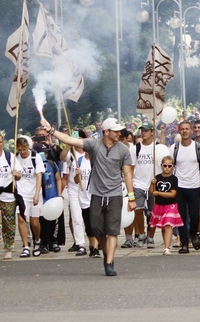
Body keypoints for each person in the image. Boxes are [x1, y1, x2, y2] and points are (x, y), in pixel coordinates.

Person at [40, 117, 135, 276]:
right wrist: (51, 131)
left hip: (115, 195)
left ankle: (109, 262)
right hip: (96, 194)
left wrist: (131, 198)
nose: (119, 133)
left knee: (112, 231)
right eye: (116, 131)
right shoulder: (94, 144)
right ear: (106, 132)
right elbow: (70, 140)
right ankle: (106, 251)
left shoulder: (123, 150)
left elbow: (127, 174)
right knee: (97, 230)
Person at [170, 121, 200, 254]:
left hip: (194, 186)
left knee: (195, 215)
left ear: (191, 131)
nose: (184, 131)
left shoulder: (198, 147)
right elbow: (170, 167)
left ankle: (193, 234)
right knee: (181, 216)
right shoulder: (174, 148)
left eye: (187, 129)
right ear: (179, 131)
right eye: (182, 129)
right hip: (179, 187)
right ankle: (184, 243)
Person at [125, 122, 157, 249]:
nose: (143, 133)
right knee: (138, 210)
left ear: (152, 132)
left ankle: (151, 236)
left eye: (146, 130)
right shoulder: (135, 148)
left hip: (153, 184)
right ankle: (142, 233)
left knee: (152, 213)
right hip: (138, 183)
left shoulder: (157, 147)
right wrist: (131, 185)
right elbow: (131, 168)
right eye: (142, 130)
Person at [60, 131, 88, 256]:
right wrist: (68, 145)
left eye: (80, 139)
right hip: (74, 189)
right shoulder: (72, 155)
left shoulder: (89, 154)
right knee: (76, 217)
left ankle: (95, 242)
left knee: (90, 218)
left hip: (88, 190)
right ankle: (80, 244)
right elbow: (62, 157)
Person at [149, 156, 183, 255]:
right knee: (163, 227)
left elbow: (172, 194)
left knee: (168, 225)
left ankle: (167, 248)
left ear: (172, 167)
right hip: (159, 205)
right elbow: (151, 192)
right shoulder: (157, 177)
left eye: (169, 166)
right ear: (161, 166)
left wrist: (159, 193)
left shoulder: (174, 179)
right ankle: (166, 245)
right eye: (165, 165)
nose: (167, 168)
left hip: (170, 205)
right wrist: (152, 184)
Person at [0, 134, 22, 259]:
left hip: (8, 195)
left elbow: (19, 175)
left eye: (0, 141)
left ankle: (8, 248)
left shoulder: (10, 157)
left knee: (8, 222)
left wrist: (16, 174)